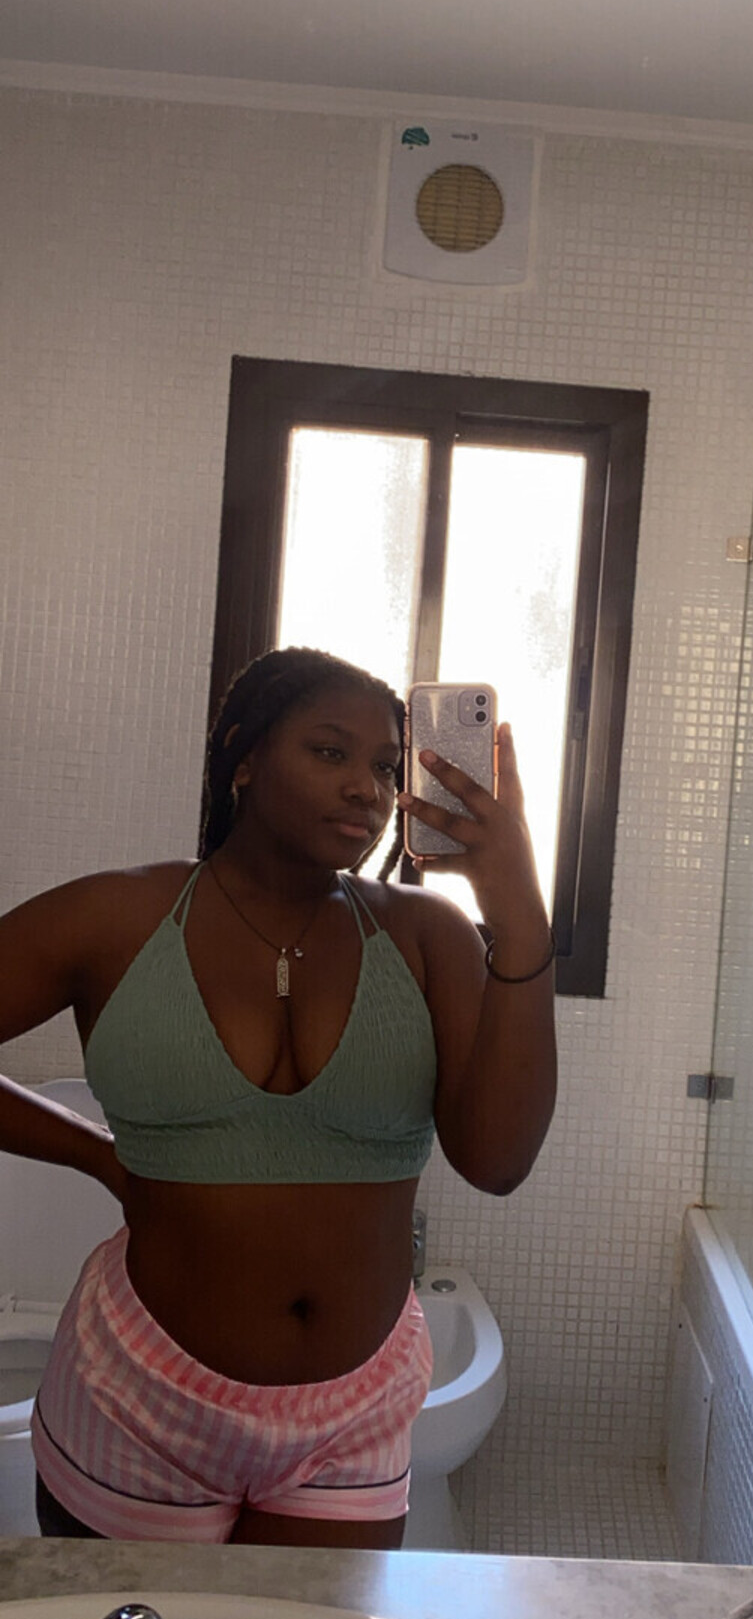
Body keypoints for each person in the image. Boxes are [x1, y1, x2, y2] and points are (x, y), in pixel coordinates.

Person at [0, 646, 557, 1548]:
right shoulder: (117, 917)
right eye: (330, 752)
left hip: (355, 1415)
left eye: (387, 767)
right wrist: (95, 1154)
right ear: (244, 759)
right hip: (138, 1393)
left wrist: (518, 910)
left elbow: (498, 1162)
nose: (368, 788)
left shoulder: (428, 935)